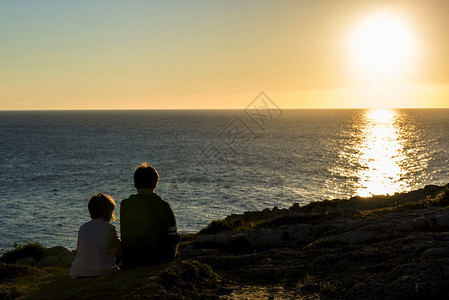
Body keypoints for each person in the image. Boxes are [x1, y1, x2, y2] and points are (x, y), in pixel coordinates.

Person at [120, 162, 180, 268]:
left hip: (133, 260)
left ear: (135, 184)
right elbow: (173, 236)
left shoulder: (126, 205)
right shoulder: (164, 206)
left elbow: (125, 237)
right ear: (155, 183)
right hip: (161, 259)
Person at [69, 193, 121, 278]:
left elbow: (79, 249)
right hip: (102, 271)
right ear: (109, 212)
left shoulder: (83, 227)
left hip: (77, 272)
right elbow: (120, 248)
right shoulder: (110, 228)